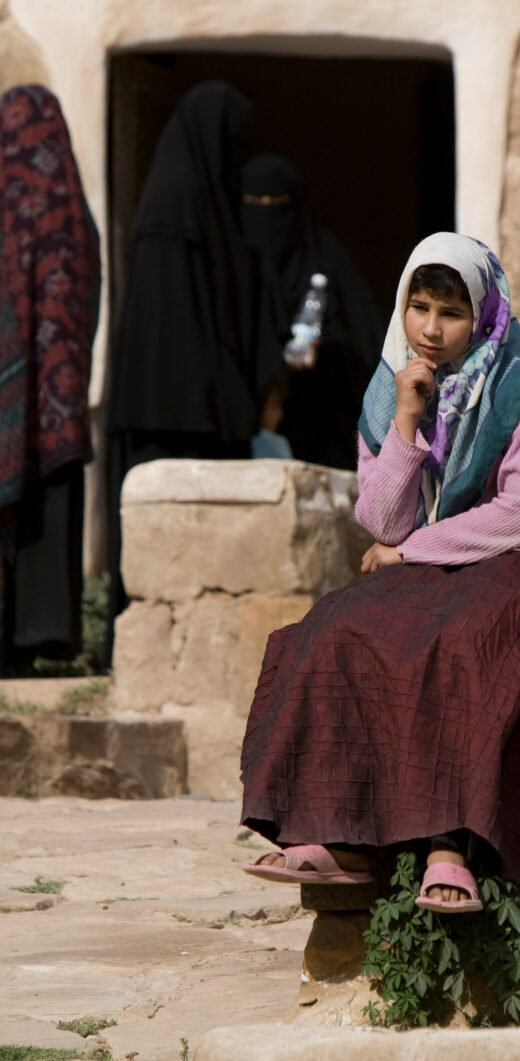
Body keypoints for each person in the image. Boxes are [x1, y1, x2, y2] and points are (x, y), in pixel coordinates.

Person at [239, 232, 520, 912]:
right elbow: (385, 523)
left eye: (450, 313)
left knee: (463, 644)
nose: (430, 328)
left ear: (483, 315)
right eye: (419, 306)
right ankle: (334, 836)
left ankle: (450, 847)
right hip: (430, 566)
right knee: (335, 628)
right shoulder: (390, 386)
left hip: (519, 563)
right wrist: (406, 419)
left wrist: (413, 551)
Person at [105, 81, 256, 641]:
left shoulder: (194, 196)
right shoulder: (178, 202)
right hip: (170, 417)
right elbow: (176, 330)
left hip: (187, 413)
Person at [0, 85, 100, 675]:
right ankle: (43, 634)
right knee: (51, 504)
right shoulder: (73, 210)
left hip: (11, 401)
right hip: (60, 405)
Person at [241, 153, 383, 471]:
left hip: (316, 420)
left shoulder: (326, 262)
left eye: (276, 201)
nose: (265, 212)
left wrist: (327, 344)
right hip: (243, 418)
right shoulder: (231, 264)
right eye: (254, 200)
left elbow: (362, 339)